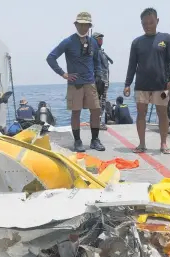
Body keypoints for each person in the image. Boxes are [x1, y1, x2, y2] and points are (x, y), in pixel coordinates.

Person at [46, 12, 105, 152]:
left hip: (90, 83)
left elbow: (97, 61)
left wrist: (99, 75)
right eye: (81, 24)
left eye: (86, 24)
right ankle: (77, 141)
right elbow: (51, 58)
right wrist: (63, 74)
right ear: (76, 24)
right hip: (75, 84)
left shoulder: (93, 43)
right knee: (76, 113)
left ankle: (95, 140)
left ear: (90, 26)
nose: (83, 27)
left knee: (96, 111)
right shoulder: (68, 41)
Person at [123, 8, 170, 154]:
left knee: (162, 113)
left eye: (151, 22)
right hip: (141, 86)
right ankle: (141, 144)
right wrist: (127, 84)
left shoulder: (166, 39)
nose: (148, 25)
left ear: (157, 21)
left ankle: (164, 143)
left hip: (162, 86)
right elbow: (132, 64)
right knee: (141, 114)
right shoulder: (137, 42)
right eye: (144, 23)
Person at [93, 32, 113, 130]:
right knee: (99, 103)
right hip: (99, 82)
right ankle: (97, 122)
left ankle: (98, 121)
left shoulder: (101, 51)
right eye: (99, 38)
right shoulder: (94, 51)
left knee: (103, 102)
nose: (101, 40)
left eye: (101, 38)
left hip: (105, 81)